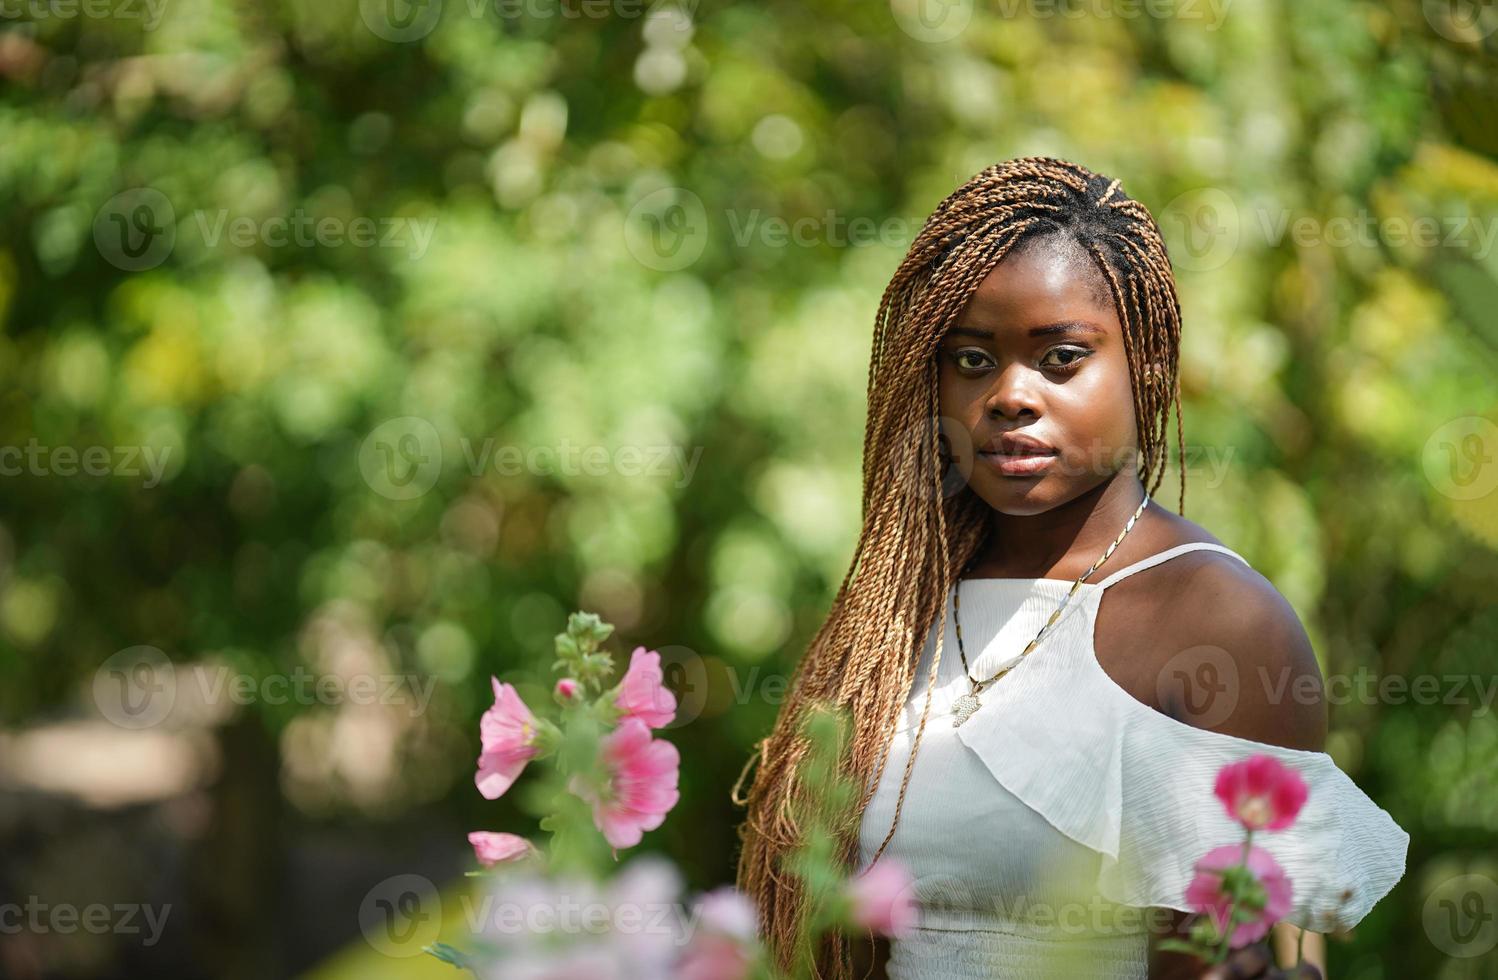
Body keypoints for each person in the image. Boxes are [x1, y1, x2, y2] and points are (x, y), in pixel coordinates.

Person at [732, 158, 1409, 979]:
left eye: (1060, 359)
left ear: (1149, 366)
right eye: (972, 360)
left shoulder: (1219, 620)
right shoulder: (896, 609)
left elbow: (1229, 957)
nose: (1010, 395)